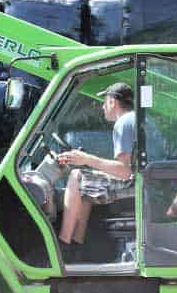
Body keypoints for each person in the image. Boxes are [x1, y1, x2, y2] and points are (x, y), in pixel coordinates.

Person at [56, 82, 137, 249]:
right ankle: (77, 246)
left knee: (76, 177)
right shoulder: (137, 118)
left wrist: (87, 159)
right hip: (144, 179)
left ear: (113, 102)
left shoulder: (123, 123)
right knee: (86, 190)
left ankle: (62, 245)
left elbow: (124, 171)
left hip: (135, 182)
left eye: (104, 102)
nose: (102, 107)